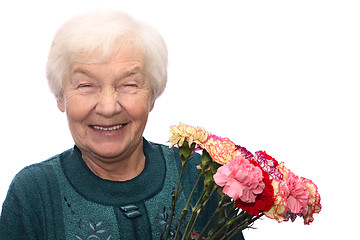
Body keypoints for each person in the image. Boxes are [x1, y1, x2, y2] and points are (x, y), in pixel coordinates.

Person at [0, 10, 244, 240]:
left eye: (128, 85)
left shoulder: (197, 177)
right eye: (86, 85)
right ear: (60, 97)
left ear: (152, 95)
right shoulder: (34, 193)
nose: (108, 107)